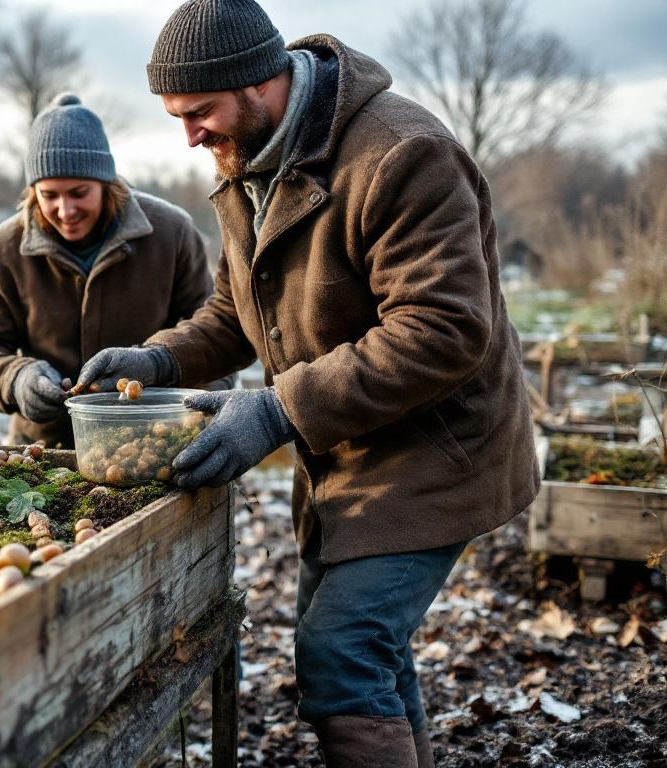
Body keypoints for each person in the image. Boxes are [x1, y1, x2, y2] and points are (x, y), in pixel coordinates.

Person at [76, 1, 539, 765]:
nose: (189, 135)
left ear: (262, 83)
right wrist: (156, 359)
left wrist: (278, 409)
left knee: (342, 655)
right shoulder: (244, 165)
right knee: (367, 658)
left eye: (200, 113)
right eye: (176, 116)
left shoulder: (401, 154)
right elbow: (236, 310)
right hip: (343, 455)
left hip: (434, 453)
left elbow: (445, 327)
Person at [0, 93, 213, 447]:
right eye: (49, 195)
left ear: (106, 183)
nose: (65, 210)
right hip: (44, 451)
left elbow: (213, 335)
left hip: (154, 441)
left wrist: (193, 416)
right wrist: (16, 379)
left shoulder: (171, 233)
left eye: (79, 193)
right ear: (33, 191)